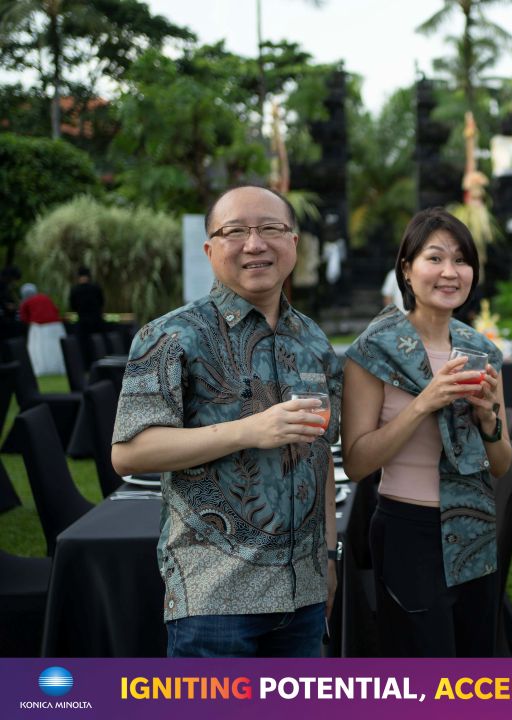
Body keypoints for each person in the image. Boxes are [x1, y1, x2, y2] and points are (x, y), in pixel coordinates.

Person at [111, 185, 342, 658]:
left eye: (270, 229)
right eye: (235, 231)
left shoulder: (313, 340)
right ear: (210, 249)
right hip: (215, 597)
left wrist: (328, 557)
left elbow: (318, 456)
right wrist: (249, 431)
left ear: (293, 242)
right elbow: (129, 452)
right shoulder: (171, 335)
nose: (254, 244)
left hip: (304, 593)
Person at [340, 207, 511, 657]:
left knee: (474, 671)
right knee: (421, 671)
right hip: (408, 531)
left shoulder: (481, 351)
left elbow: (501, 463)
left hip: (474, 526)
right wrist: (424, 402)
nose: (450, 272)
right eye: (435, 258)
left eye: (461, 260)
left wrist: (489, 422)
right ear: (407, 270)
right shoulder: (373, 352)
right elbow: (356, 463)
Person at [18, 283, 66, 376]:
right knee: (56, 347)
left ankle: (42, 368)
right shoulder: (44, 297)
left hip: (39, 327)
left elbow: (23, 318)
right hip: (56, 325)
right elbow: (56, 309)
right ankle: (59, 367)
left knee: (39, 348)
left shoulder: (26, 302)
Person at [68, 265, 106, 364]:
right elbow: (102, 302)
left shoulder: (75, 290)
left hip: (82, 322)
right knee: (98, 344)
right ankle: (99, 362)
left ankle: (86, 364)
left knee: (84, 345)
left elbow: (73, 306)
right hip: (97, 321)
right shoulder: (96, 288)